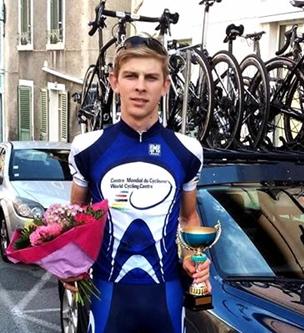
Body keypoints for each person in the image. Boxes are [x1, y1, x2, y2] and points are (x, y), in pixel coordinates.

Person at [65, 34, 209, 333]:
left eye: (151, 77)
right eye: (131, 76)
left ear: (165, 85)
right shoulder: (87, 147)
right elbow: (75, 214)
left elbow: (189, 217)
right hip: (107, 293)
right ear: (114, 82)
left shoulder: (187, 149)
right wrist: (68, 261)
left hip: (166, 294)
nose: (141, 86)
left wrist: (195, 258)